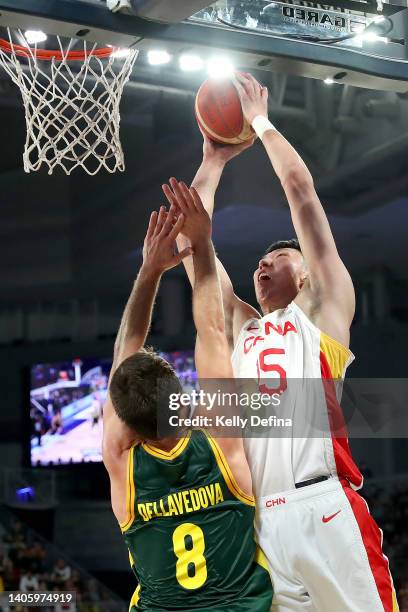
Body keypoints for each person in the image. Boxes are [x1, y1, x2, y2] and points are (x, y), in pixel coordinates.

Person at [163, 73, 398, 612]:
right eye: (260, 261)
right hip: (263, 523)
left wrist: (261, 122)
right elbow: (189, 241)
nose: (263, 263)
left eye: (279, 257)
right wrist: (214, 160)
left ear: (309, 275)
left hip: (324, 506)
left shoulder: (323, 312)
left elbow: (302, 195)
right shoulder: (243, 326)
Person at [102, 201, 273, 610]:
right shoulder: (221, 442)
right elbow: (213, 329)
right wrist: (201, 244)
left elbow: (124, 350)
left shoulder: (121, 461)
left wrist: (149, 271)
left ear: (125, 423)